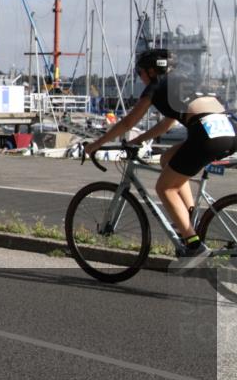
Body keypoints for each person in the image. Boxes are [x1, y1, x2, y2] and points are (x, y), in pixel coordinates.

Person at [85, 48, 236, 265]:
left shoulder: (156, 86)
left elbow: (129, 122)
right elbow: (168, 123)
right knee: (167, 160)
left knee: (164, 187)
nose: (140, 78)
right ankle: (188, 219)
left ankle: (193, 244)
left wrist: (96, 144)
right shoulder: (183, 82)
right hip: (228, 132)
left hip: (205, 135)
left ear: (150, 72)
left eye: (140, 73)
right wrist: (139, 140)